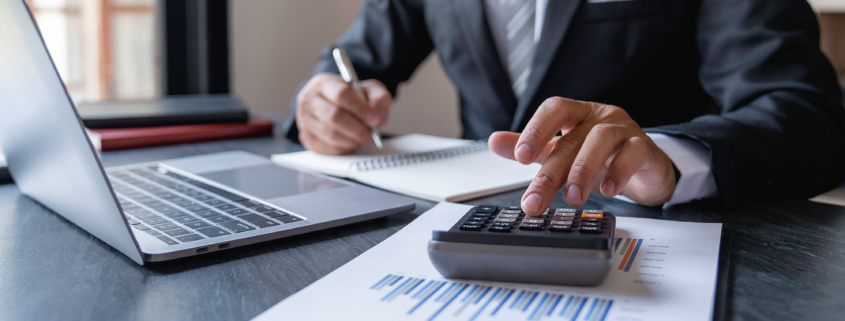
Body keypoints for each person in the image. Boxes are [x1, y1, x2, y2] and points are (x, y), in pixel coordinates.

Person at [283, 0, 845, 216]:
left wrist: (671, 156)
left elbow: (806, 113)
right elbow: (352, 62)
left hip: (651, 232)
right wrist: (324, 98)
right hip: (463, 225)